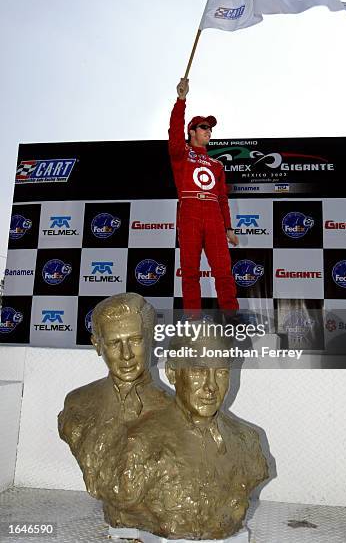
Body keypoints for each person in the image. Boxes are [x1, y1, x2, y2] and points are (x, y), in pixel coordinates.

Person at [98, 329, 268, 539]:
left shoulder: (248, 441)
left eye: (222, 372)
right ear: (172, 373)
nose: (211, 386)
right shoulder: (140, 443)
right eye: (198, 371)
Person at [58, 293, 171, 497]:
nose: (126, 354)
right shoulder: (78, 404)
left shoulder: (176, 410)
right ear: (97, 345)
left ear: (151, 339)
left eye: (135, 340)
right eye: (113, 343)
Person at [169, 77, 239, 315]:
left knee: (223, 271)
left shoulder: (216, 164)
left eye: (210, 128)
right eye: (204, 127)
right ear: (192, 131)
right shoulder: (181, 154)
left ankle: (231, 318)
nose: (209, 131)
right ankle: (193, 322)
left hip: (213, 216)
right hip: (189, 212)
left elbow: (222, 198)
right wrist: (181, 100)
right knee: (190, 272)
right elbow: (174, 131)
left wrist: (228, 227)